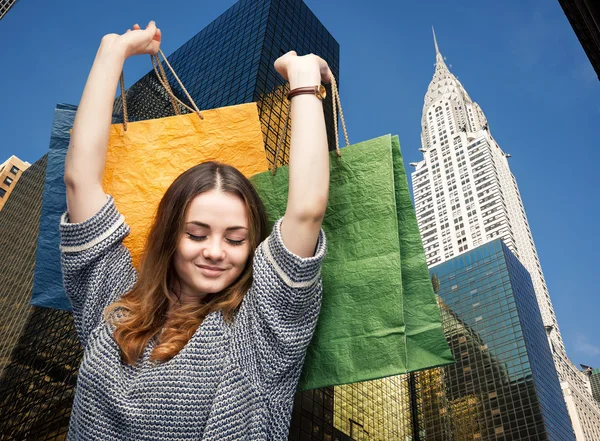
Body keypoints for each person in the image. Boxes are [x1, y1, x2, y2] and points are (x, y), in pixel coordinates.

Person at [61, 21, 331, 440]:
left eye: (236, 238)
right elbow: (80, 180)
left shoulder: (257, 333)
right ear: (170, 235)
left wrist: (303, 81)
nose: (215, 251)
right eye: (197, 233)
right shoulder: (113, 303)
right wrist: (113, 53)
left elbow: (307, 210)